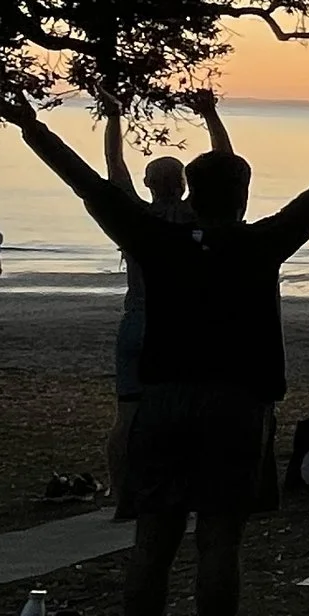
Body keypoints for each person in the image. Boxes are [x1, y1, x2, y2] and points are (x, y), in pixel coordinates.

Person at [11, 83, 309, 616]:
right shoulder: (260, 244)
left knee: (152, 539)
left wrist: (30, 124)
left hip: (161, 404)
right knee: (218, 539)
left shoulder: (154, 240)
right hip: (235, 407)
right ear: (241, 198)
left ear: (191, 194)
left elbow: (89, 184)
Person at [99, 87, 233, 500]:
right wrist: (210, 115)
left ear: (147, 184)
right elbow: (225, 165)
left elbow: (113, 164)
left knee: (128, 417)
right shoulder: (195, 216)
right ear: (184, 184)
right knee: (185, 412)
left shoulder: (135, 218)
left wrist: (115, 115)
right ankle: (183, 486)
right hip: (178, 325)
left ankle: (119, 492)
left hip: (135, 320)